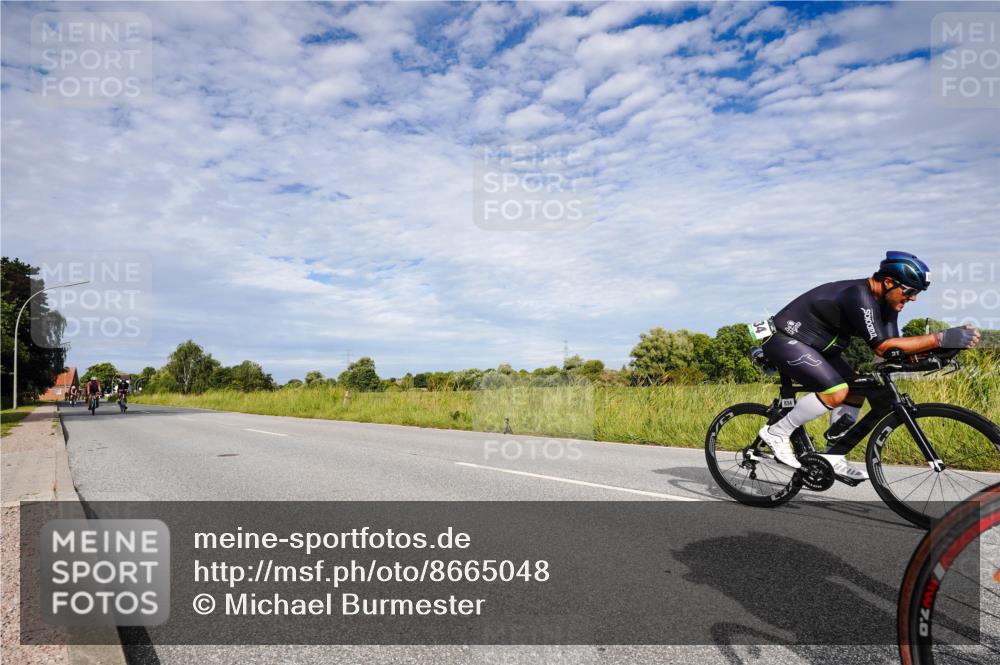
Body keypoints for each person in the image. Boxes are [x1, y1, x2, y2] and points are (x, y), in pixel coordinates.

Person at [758, 251, 981, 479]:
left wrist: (940, 350)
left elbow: (893, 353)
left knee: (858, 390)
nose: (913, 298)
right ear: (887, 282)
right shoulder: (859, 295)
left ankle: (833, 455)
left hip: (820, 347)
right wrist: (940, 338)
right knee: (836, 391)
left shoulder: (888, 306)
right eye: (910, 291)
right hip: (784, 339)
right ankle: (777, 432)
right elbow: (882, 347)